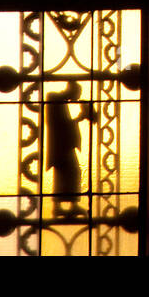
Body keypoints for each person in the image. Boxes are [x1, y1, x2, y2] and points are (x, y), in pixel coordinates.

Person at [45, 81, 95, 214]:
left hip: (64, 144)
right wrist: (80, 117)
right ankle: (61, 207)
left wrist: (80, 117)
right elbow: (60, 124)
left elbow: (63, 123)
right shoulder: (54, 99)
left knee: (67, 172)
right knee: (70, 171)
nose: (77, 98)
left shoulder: (59, 101)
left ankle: (63, 206)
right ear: (71, 90)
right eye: (77, 94)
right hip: (61, 145)